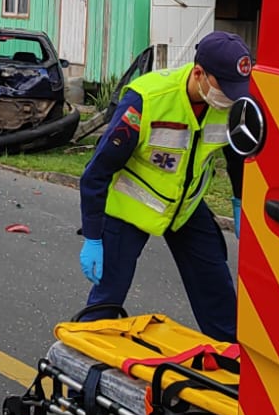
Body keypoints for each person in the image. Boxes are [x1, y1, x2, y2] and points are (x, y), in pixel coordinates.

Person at [74, 31, 252, 343]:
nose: (232, 98)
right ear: (199, 74)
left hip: (185, 208)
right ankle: (82, 368)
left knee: (218, 292)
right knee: (107, 299)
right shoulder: (147, 100)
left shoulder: (233, 102)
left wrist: (240, 200)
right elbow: (96, 173)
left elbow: (237, 153)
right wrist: (93, 236)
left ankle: (232, 368)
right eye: (225, 88)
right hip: (130, 209)